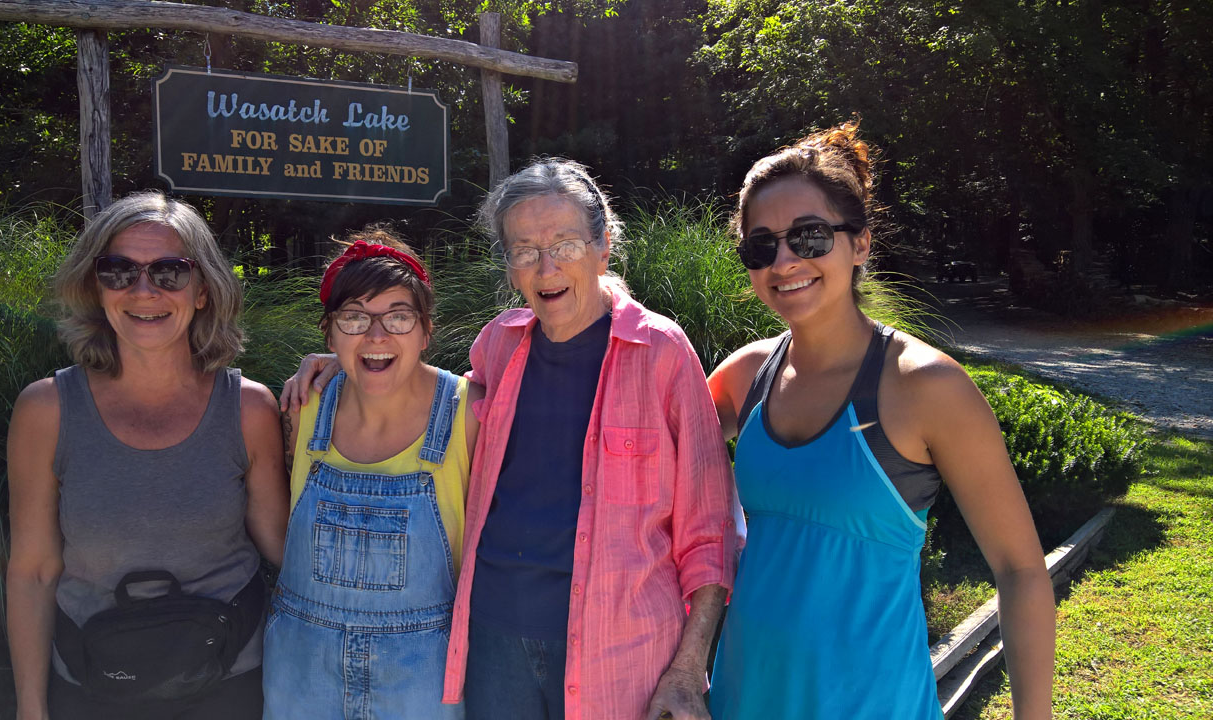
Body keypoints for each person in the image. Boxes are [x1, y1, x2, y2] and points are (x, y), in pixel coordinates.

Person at [283, 159, 741, 720]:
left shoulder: (662, 353)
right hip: (494, 644)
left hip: (622, 650)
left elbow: (709, 531)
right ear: (510, 267)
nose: (547, 267)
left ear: (603, 246)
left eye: (565, 245)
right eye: (525, 251)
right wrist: (352, 360)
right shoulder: (499, 345)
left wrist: (688, 671)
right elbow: (427, 396)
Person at [705, 123, 1055, 719]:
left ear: (861, 243)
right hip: (741, 701)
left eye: (809, 236)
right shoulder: (744, 377)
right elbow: (642, 465)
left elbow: (1020, 570)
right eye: (761, 246)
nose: (784, 261)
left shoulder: (926, 386)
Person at [6, 191, 288, 720]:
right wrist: (31, 705)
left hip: (225, 681)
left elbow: (283, 549)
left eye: (169, 272)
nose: (143, 290)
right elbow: (33, 571)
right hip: (91, 684)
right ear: (96, 287)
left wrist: (342, 374)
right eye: (118, 271)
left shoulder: (248, 409)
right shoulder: (46, 411)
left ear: (203, 290)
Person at [262, 229, 482, 719]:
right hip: (301, 671)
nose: (376, 335)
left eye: (399, 316)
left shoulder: (469, 414)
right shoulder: (304, 407)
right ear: (329, 332)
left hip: (423, 678)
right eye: (354, 317)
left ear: (426, 330)